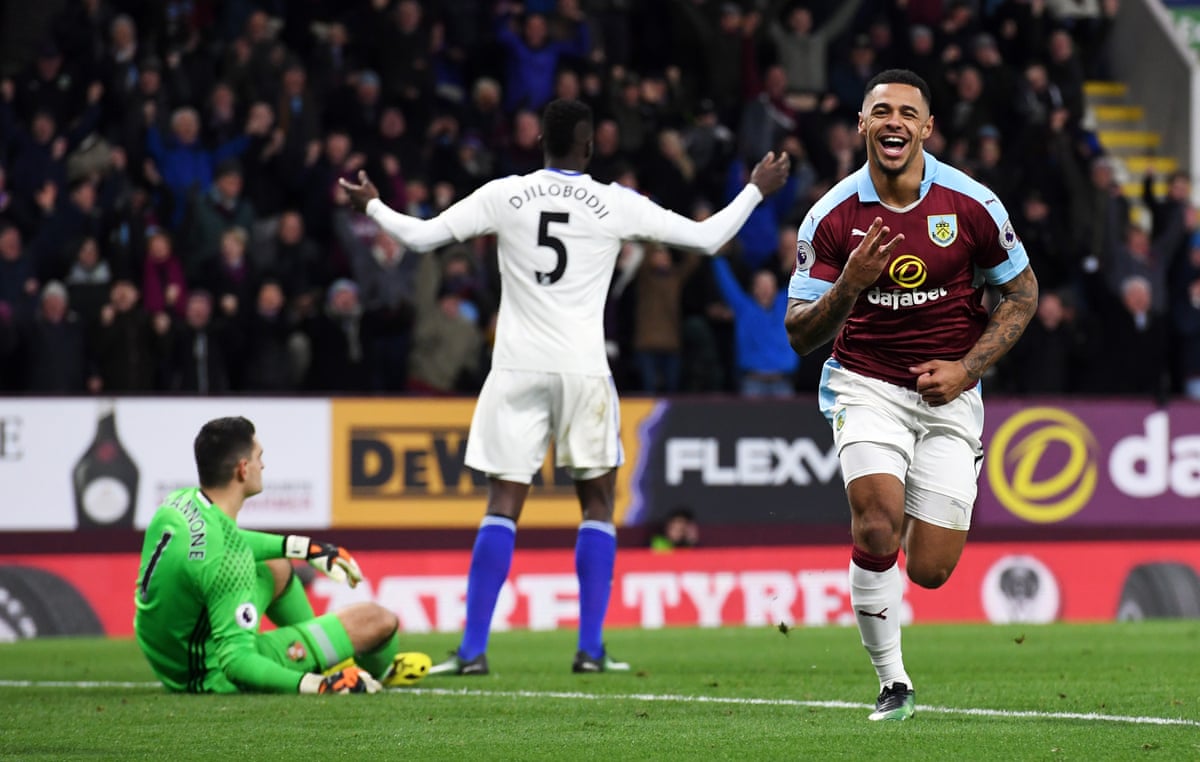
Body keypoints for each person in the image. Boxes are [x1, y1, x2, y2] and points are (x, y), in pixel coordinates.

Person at [339, 98, 790, 675]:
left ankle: (474, 651)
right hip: (582, 369)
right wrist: (755, 188)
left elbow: (422, 237)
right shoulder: (613, 202)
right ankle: (591, 650)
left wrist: (373, 203)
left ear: (541, 145)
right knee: (597, 502)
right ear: (590, 146)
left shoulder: (505, 193)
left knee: (503, 503)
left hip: (516, 368)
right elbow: (706, 239)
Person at [783, 70, 1038, 721]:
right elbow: (798, 334)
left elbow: (1023, 292)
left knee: (929, 571)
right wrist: (850, 285)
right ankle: (893, 682)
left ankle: (956, 468)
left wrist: (968, 367)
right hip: (865, 383)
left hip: (949, 391)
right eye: (881, 112)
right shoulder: (832, 216)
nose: (894, 122)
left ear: (927, 127)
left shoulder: (971, 203)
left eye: (907, 113)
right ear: (861, 126)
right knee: (876, 520)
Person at [134, 416, 430, 694]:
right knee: (378, 620)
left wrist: (304, 548)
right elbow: (236, 662)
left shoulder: (178, 503)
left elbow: (230, 541)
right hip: (206, 673)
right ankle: (365, 669)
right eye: (259, 457)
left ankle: (327, 654)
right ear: (242, 469)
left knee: (275, 565)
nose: (263, 465)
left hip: (166, 651)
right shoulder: (228, 561)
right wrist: (319, 685)